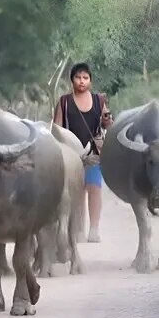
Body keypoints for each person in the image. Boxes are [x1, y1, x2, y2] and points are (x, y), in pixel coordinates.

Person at [52, 62, 111, 243]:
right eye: (78, 77)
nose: (81, 81)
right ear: (72, 81)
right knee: (74, 192)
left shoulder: (99, 101)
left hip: (93, 154)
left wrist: (107, 120)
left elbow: (108, 124)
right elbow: (56, 128)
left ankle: (94, 229)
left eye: (85, 78)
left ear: (90, 81)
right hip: (70, 156)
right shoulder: (64, 102)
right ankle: (75, 229)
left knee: (94, 188)